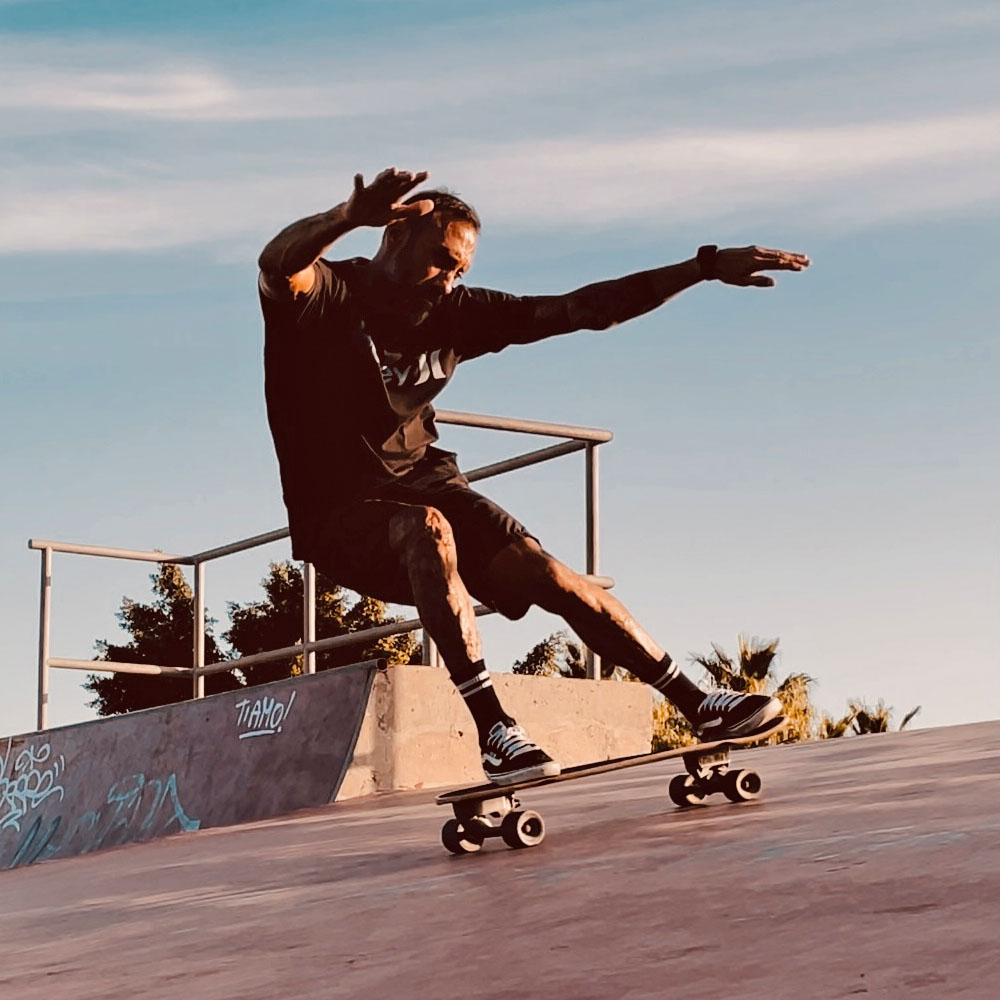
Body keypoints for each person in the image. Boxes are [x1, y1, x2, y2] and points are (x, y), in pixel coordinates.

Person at [257, 167, 810, 786]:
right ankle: (494, 729)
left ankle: (695, 703)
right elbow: (277, 264)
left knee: (547, 573)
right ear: (395, 237)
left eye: (460, 269)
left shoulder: (459, 312)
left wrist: (700, 267)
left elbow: (583, 309)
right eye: (440, 261)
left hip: (427, 481)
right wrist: (344, 217)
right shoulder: (329, 294)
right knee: (426, 529)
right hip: (338, 514)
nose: (449, 281)